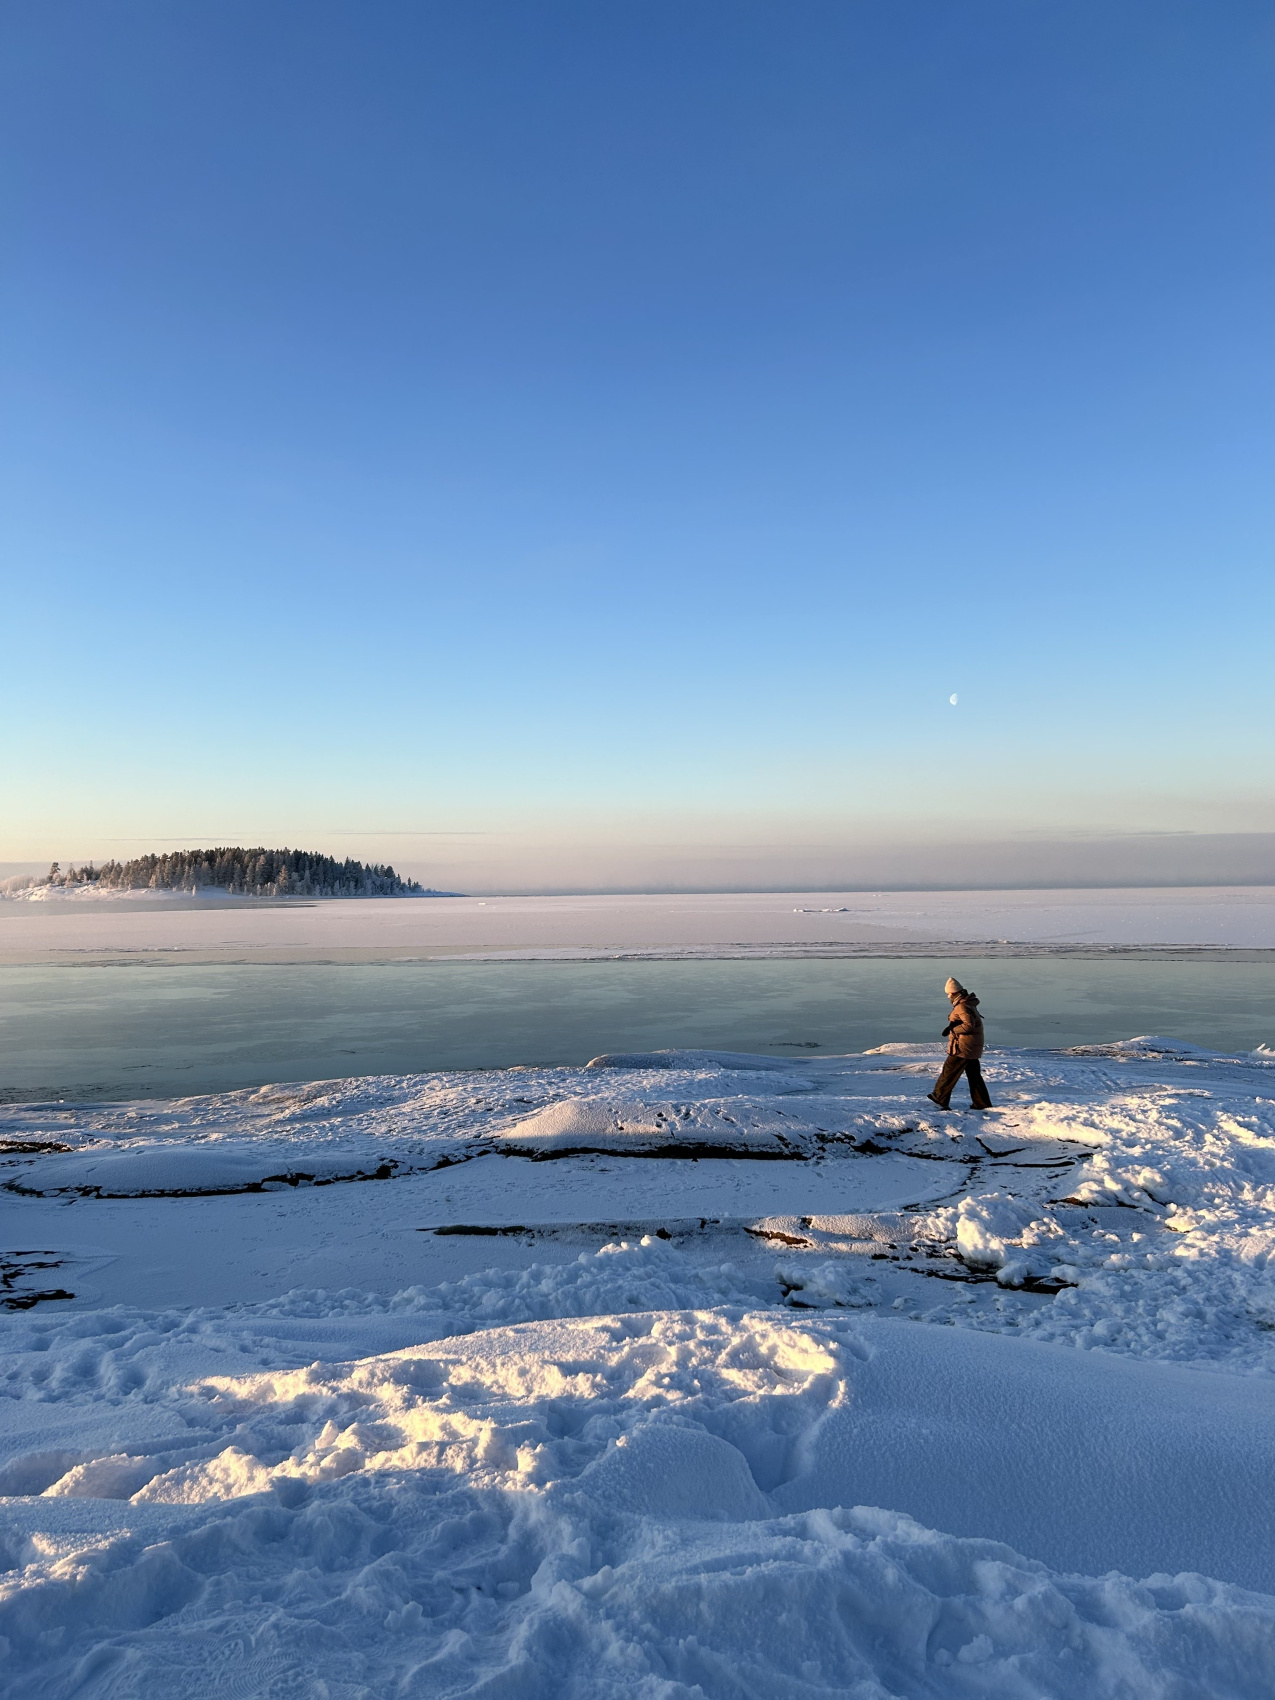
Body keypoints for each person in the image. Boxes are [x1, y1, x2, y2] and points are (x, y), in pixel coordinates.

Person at [927, 976, 992, 1110]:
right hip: (971, 1046)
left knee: (949, 1071)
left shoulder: (961, 1006)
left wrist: (953, 1029)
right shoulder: (967, 1004)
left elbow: (969, 1025)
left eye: (949, 994)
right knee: (974, 1076)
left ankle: (939, 1097)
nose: (948, 997)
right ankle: (981, 1103)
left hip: (963, 1047)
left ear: (954, 993)